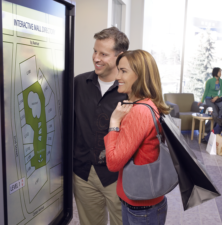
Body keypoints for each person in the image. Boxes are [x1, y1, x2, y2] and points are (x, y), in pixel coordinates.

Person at [104, 50, 170, 225]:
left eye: (123, 71)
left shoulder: (139, 111)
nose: (117, 76)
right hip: (146, 203)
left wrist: (114, 121)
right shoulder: (148, 104)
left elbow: (113, 162)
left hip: (141, 208)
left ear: (140, 76)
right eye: (118, 70)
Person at [73, 27, 129, 225]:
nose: (96, 58)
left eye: (103, 54)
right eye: (95, 51)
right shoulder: (79, 83)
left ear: (120, 56)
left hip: (119, 177)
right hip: (83, 174)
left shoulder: (131, 92)